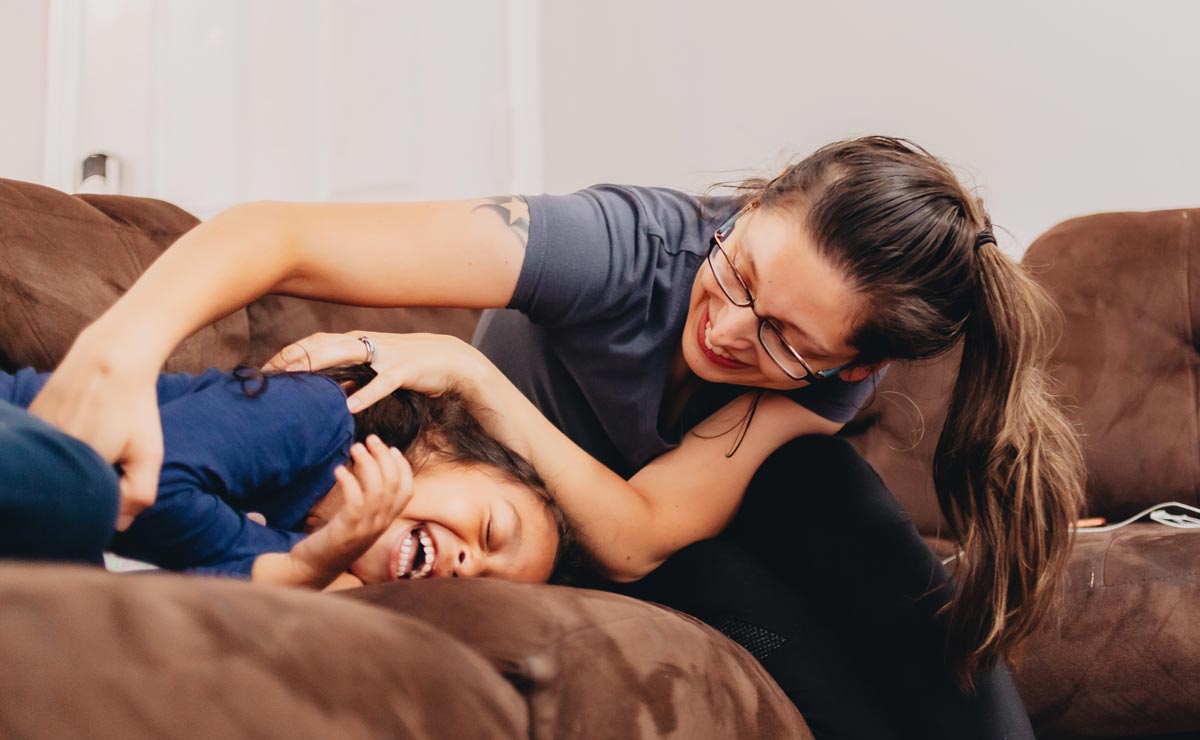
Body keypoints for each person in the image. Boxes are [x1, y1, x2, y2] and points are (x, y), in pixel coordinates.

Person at [31, 136, 1084, 738]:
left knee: (824, 498)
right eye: (740, 270)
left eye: (782, 338)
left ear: (851, 367)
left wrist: (474, 371)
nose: (726, 324)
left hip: (649, 528)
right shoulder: (615, 249)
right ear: (754, 204)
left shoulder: (828, 382)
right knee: (766, 592)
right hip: (559, 526)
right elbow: (278, 234)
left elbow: (638, 527)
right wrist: (118, 351)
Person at [3, 364, 567, 590]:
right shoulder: (318, 417)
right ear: (442, 447)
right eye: (491, 532)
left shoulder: (319, 568)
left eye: (485, 586)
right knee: (89, 494)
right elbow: (150, 489)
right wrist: (303, 563)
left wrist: (315, 561)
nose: (469, 568)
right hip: (25, 434)